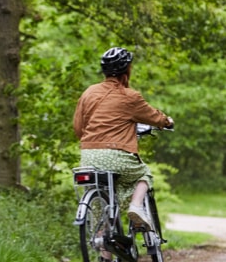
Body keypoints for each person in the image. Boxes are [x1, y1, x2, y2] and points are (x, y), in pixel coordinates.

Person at [72, 47, 173, 231]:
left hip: (88, 157)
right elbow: (154, 117)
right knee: (144, 174)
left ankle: (105, 255)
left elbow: (79, 128)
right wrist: (167, 122)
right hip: (116, 157)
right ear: (127, 70)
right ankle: (135, 207)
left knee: (100, 208)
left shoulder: (88, 93)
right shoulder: (129, 96)